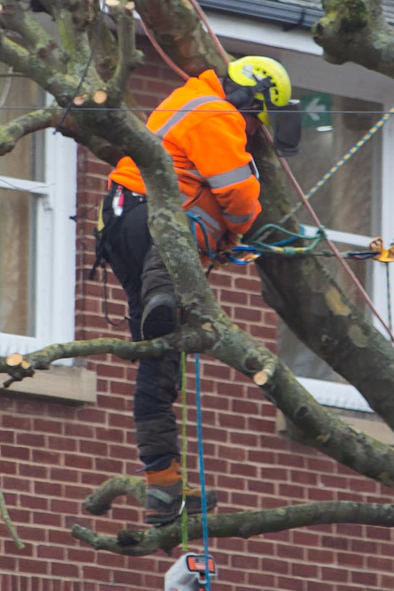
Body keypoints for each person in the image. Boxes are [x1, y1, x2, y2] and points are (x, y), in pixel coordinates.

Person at [95, 55, 292, 526]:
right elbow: (238, 191)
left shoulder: (185, 100)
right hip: (154, 221)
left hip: (122, 226)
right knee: (175, 257)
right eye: (256, 118)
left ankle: (163, 486)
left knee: (160, 360)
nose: (252, 128)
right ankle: (164, 300)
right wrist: (239, 232)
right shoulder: (215, 111)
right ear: (250, 97)